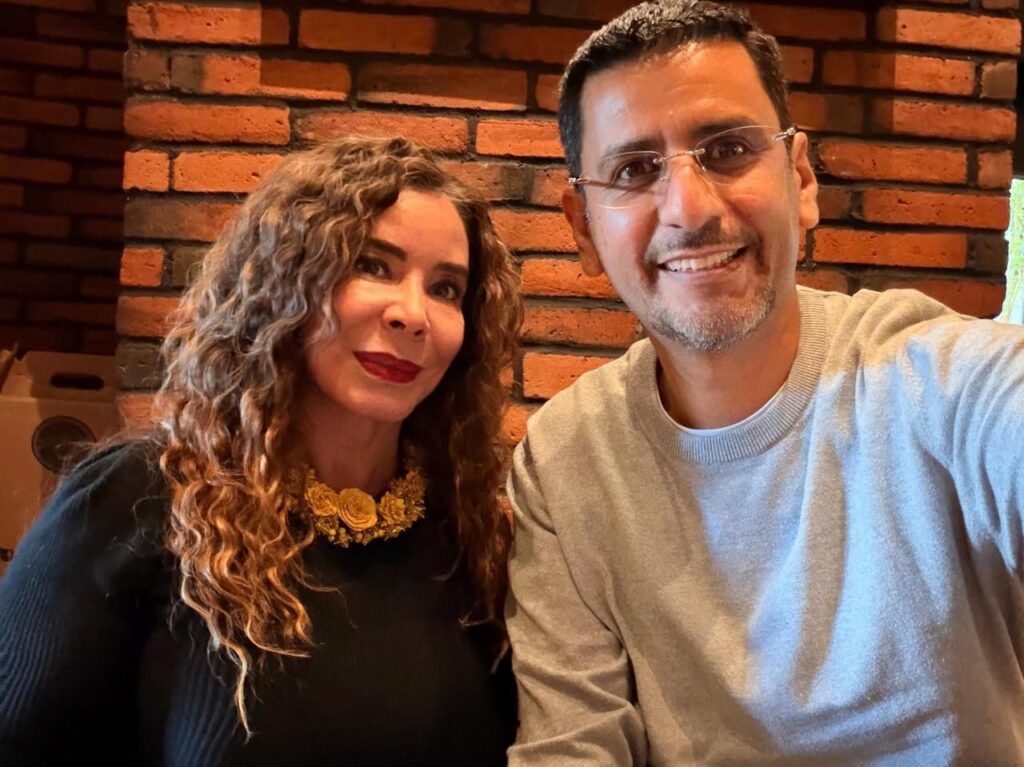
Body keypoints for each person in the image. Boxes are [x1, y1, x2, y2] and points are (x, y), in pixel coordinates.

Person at [504, 2, 1024, 765]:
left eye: (728, 150)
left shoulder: (930, 381)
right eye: (635, 170)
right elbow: (570, 748)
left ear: (801, 179)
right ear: (583, 226)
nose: (689, 208)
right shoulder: (565, 458)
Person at [0, 136, 522, 766]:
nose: (414, 314)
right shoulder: (135, 502)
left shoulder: (472, 539)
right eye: (372, 266)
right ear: (284, 283)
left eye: (445, 289)